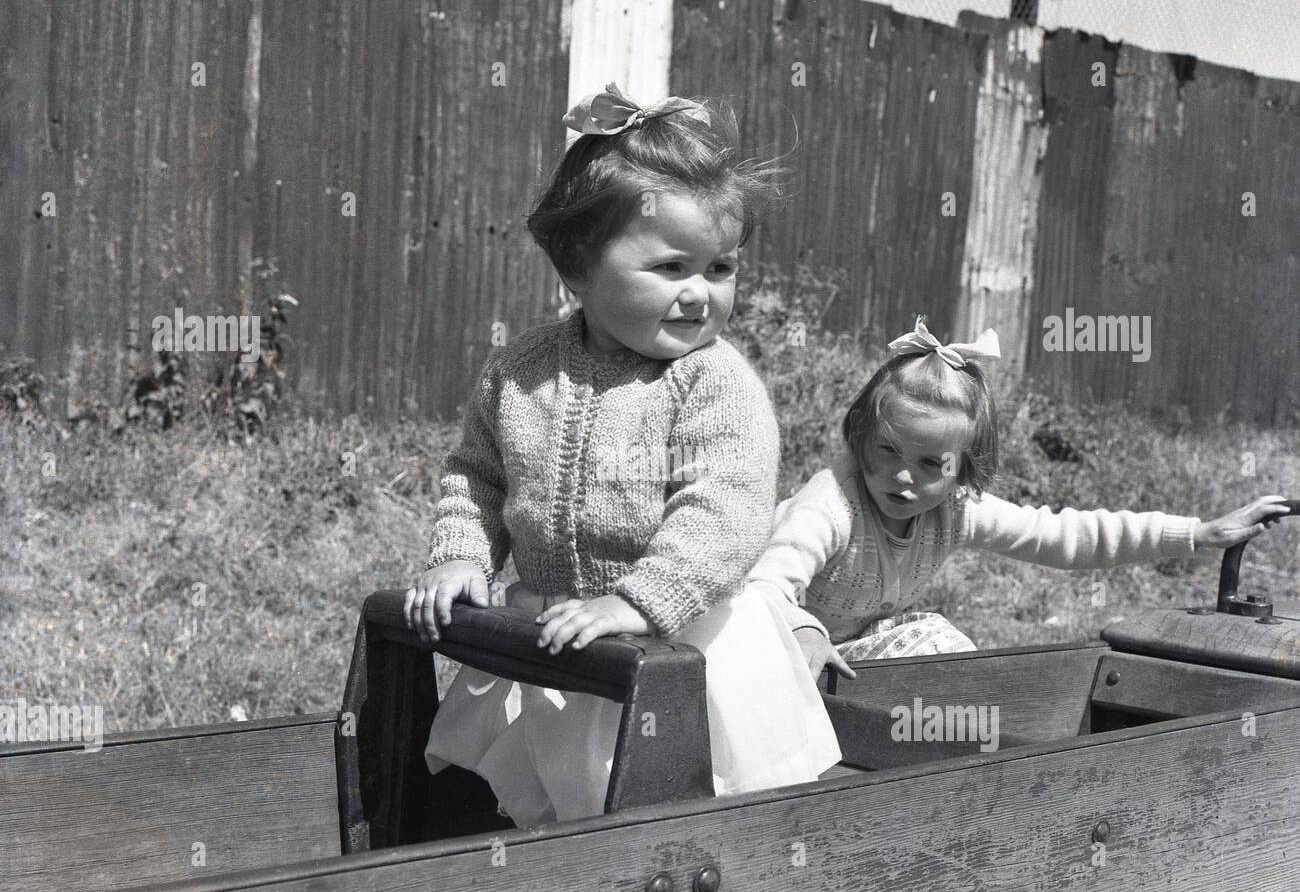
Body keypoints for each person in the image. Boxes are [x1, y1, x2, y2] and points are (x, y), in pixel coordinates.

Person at [405, 83, 841, 826]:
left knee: (685, 807)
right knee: (565, 801)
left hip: (687, 644)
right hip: (560, 639)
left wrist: (636, 602)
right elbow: (477, 475)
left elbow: (724, 512)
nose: (701, 295)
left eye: (721, 268)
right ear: (577, 267)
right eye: (672, 269)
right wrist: (460, 555)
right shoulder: (521, 371)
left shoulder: (715, 383)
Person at [747, 315, 1291, 678]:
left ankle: (937, 769)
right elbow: (764, 586)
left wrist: (1197, 534)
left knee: (945, 650)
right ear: (860, 435)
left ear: (964, 473)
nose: (903, 477)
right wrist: (801, 634)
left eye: (931, 463)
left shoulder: (950, 512)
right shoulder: (830, 507)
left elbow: (1061, 535)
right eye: (888, 450)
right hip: (762, 644)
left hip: (839, 654)